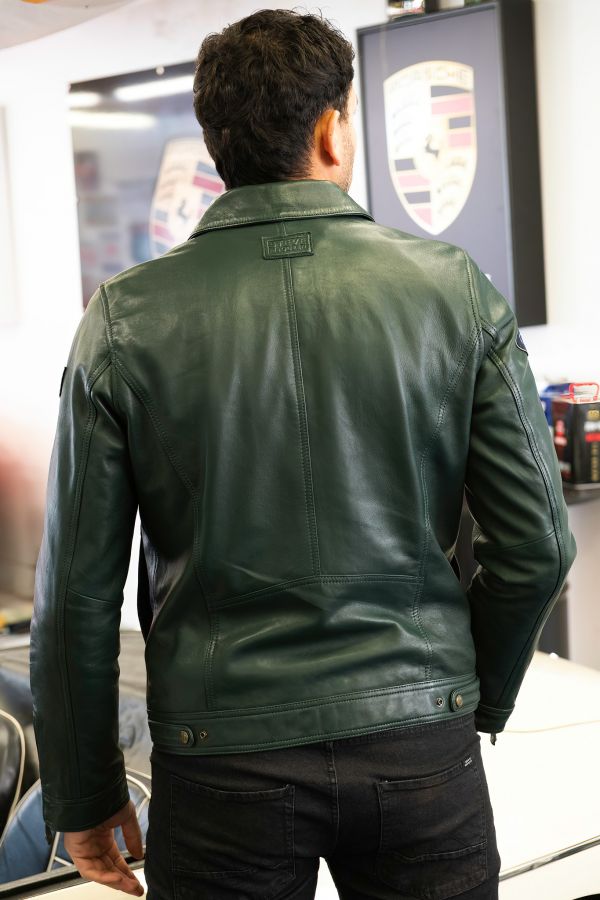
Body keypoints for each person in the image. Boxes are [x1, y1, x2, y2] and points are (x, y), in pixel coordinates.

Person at [29, 7, 577, 900]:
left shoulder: (123, 320)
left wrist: (84, 793)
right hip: (419, 747)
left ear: (217, 148)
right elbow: (539, 547)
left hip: (221, 761)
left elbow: (73, 598)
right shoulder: (455, 291)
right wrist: (461, 691)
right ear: (331, 129)